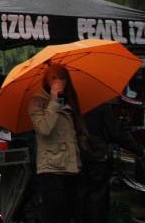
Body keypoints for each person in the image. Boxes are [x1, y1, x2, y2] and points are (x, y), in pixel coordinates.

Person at [28, 63, 85, 223]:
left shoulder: (69, 99)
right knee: (54, 215)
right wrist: (53, 101)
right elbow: (44, 129)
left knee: (71, 214)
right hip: (51, 167)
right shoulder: (37, 101)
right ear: (46, 79)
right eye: (53, 77)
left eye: (62, 77)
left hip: (72, 166)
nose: (58, 81)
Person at [76, 102, 144, 223]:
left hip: (76, 157)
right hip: (98, 156)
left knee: (81, 195)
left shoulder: (72, 106)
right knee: (98, 197)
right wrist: (138, 150)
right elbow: (115, 133)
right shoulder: (100, 105)